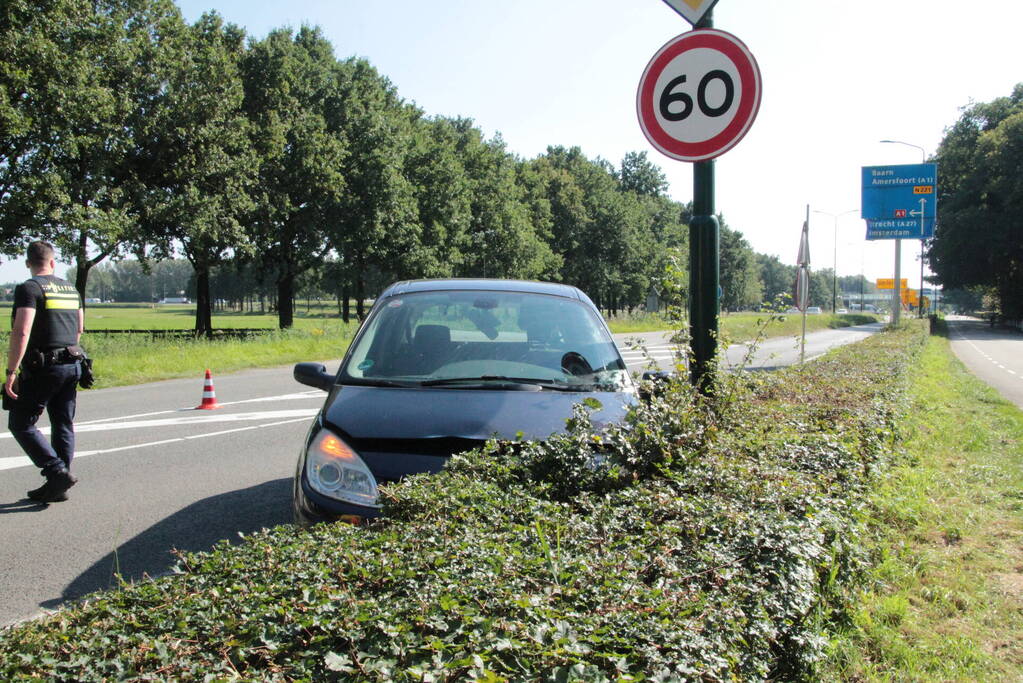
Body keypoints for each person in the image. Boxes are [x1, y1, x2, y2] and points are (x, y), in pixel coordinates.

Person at [5, 241, 84, 503]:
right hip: (73, 363)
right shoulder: (70, 288)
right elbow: (79, 328)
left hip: (45, 367)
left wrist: (11, 371)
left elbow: (22, 331)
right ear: (52, 262)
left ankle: (56, 472)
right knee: (63, 422)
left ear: (28, 263)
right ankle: (58, 484)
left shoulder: (29, 288)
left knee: (20, 423)